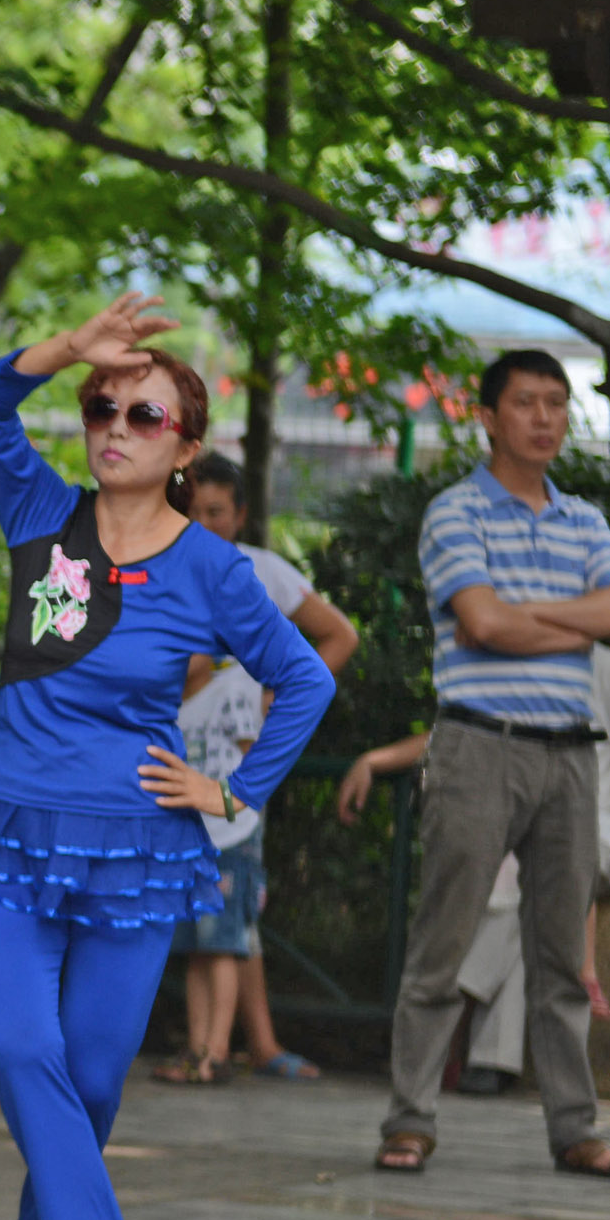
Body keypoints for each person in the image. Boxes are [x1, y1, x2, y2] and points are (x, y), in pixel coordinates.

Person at [0, 302, 335, 1220]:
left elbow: (303, 681)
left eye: (143, 413)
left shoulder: (215, 569)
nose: (114, 424)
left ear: (187, 447)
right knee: (27, 1051)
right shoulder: (37, 510)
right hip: (13, 835)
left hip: (139, 848)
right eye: (100, 406)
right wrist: (73, 346)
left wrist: (235, 791)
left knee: (95, 1076)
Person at [375, 351, 610, 1180]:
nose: (542, 418)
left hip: (570, 754)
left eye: (555, 405)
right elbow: (478, 625)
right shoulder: (452, 512)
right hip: (476, 745)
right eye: (525, 403)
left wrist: (517, 613)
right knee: (443, 941)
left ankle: (574, 1129)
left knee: (563, 958)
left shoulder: (584, 521)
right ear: (487, 416)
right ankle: (408, 1119)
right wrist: (568, 622)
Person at [339, 642, 610, 1088]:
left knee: (542, 878)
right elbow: (451, 735)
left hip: (592, 838)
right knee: (513, 886)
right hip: (516, 837)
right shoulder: (510, 667)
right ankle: (491, 1062)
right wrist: (373, 759)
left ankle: (450, 992)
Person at [155, 453, 359, 1085]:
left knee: (228, 914)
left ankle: (226, 1050)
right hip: (184, 768)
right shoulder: (166, 569)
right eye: (195, 511)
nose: (206, 522)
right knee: (215, 922)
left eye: (219, 511)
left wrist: (285, 700)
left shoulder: (264, 573)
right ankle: (239, 1046)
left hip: (236, 774)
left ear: (241, 515)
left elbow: (339, 636)